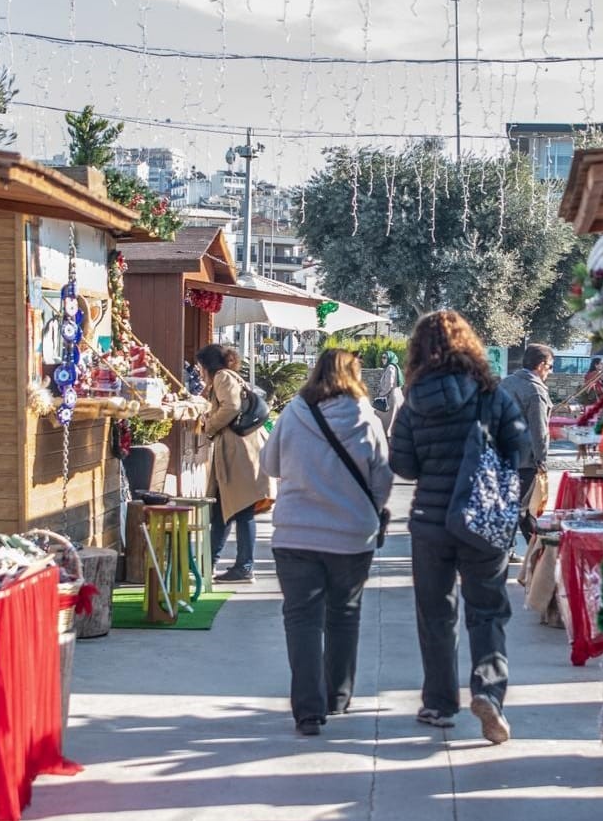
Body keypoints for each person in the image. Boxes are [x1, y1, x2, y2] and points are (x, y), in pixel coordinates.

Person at [389, 311, 531, 744]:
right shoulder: (494, 395)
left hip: (431, 524)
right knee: (486, 612)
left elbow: (404, 465)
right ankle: (488, 692)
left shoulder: (414, 400)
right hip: (483, 521)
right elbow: (521, 450)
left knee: (435, 615)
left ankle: (438, 703)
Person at [261, 349, 393, 736]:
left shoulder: (294, 413)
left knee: (301, 618)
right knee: (344, 614)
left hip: (294, 533)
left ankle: (308, 711)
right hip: (352, 535)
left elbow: (270, 465)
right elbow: (382, 478)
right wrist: (368, 508)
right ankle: (337, 695)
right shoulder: (366, 417)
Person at [196, 343, 274, 583]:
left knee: (241, 509)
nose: (199, 371)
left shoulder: (222, 377)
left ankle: (244, 567)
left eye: (200, 366)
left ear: (208, 365)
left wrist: (209, 426)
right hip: (239, 452)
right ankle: (208, 564)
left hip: (239, 453)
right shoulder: (229, 378)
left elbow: (231, 407)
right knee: (222, 511)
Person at [500, 344, 554, 546]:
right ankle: (537, 554)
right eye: (549, 366)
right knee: (522, 510)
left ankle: (525, 550)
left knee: (514, 508)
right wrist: (542, 460)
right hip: (524, 460)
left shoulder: (506, 383)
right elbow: (538, 431)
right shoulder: (536, 392)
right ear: (540, 365)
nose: (550, 371)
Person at [375, 348, 405, 435]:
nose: (382, 359)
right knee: (393, 418)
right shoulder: (395, 367)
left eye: (385, 357)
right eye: (382, 357)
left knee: (384, 417)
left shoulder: (390, 367)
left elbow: (389, 384)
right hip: (396, 395)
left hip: (390, 397)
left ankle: (385, 436)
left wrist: (381, 394)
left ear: (390, 358)